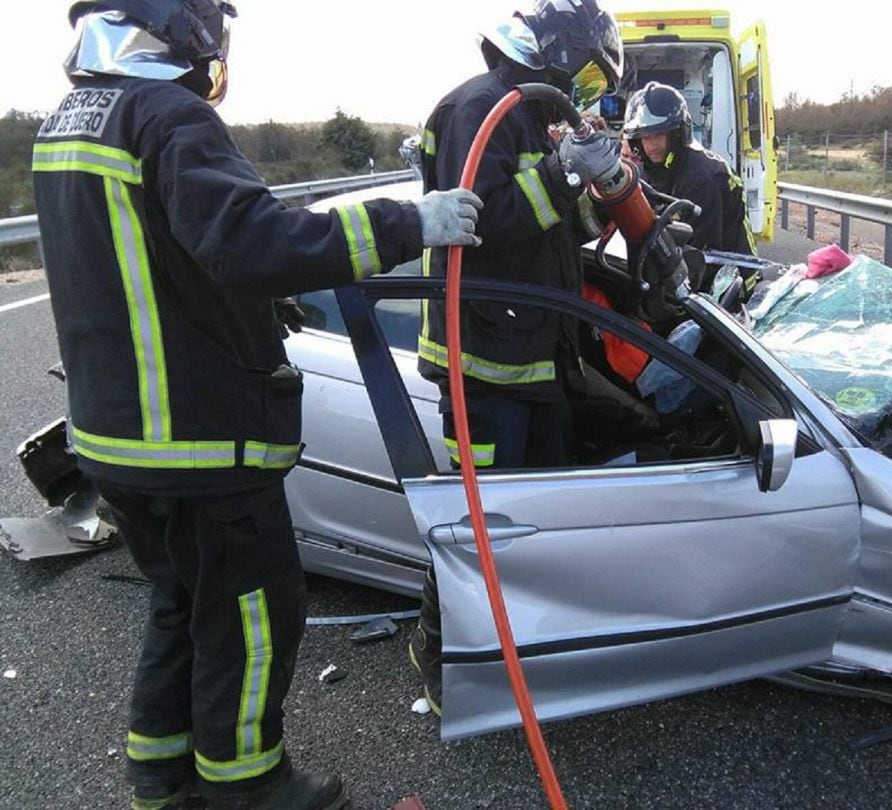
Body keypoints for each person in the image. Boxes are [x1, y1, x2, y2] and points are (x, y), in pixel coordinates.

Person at [32, 2, 482, 808]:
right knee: (249, 617)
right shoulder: (168, 116)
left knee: (182, 608)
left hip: (115, 438)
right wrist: (409, 222)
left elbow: (165, 260)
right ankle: (248, 784)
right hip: (196, 439)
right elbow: (254, 243)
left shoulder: (70, 122)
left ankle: (162, 778)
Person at [410, 0, 624, 715]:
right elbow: (484, 223)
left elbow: (560, 230)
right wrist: (560, 175)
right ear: (559, 53)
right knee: (479, 525)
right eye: (586, 67)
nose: (587, 84)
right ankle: (444, 662)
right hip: (485, 364)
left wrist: (592, 181)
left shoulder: (530, 116)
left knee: (531, 524)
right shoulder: (479, 109)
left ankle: (523, 656)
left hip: (533, 353)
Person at [623, 81, 757, 255]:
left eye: (659, 134)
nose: (652, 145)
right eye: (645, 137)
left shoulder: (704, 176)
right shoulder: (648, 170)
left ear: (677, 133)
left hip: (729, 270)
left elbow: (699, 251)